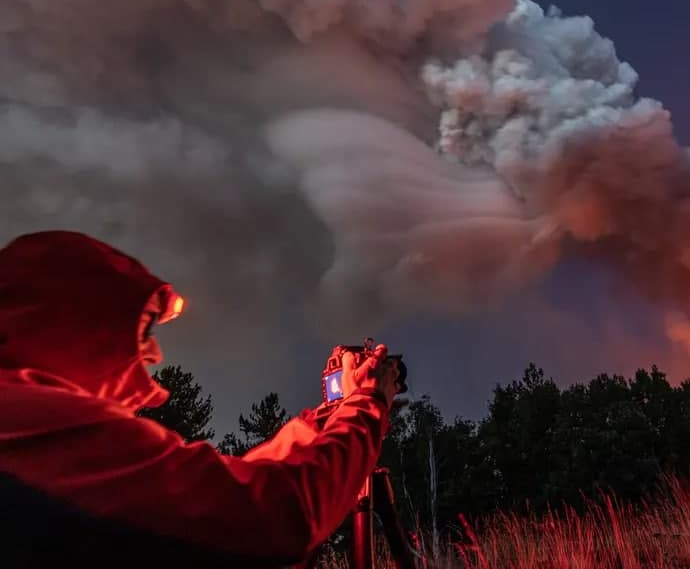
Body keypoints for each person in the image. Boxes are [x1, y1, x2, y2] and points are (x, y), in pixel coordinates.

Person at [0, 230, 402, 568]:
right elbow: (274, 517)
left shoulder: (32, 425)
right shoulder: (46, 424)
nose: (154, 354)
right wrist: (367, 403)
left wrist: (321, 422)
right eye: (141, 332)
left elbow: (212, 496)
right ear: (79, 325)